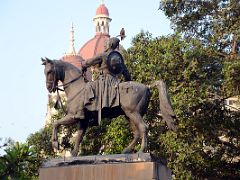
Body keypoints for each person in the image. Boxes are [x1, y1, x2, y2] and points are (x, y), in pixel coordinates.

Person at [82, 37, 131, 117]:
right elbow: (127, 75)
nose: (105, 45)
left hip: (104, 81)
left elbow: (88, 62)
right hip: (116, 81)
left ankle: (91, 108)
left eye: (106, 43)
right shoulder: (119, 58)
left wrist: (82, 64)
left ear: (110, 44)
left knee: (88, 86)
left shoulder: (103, 55)